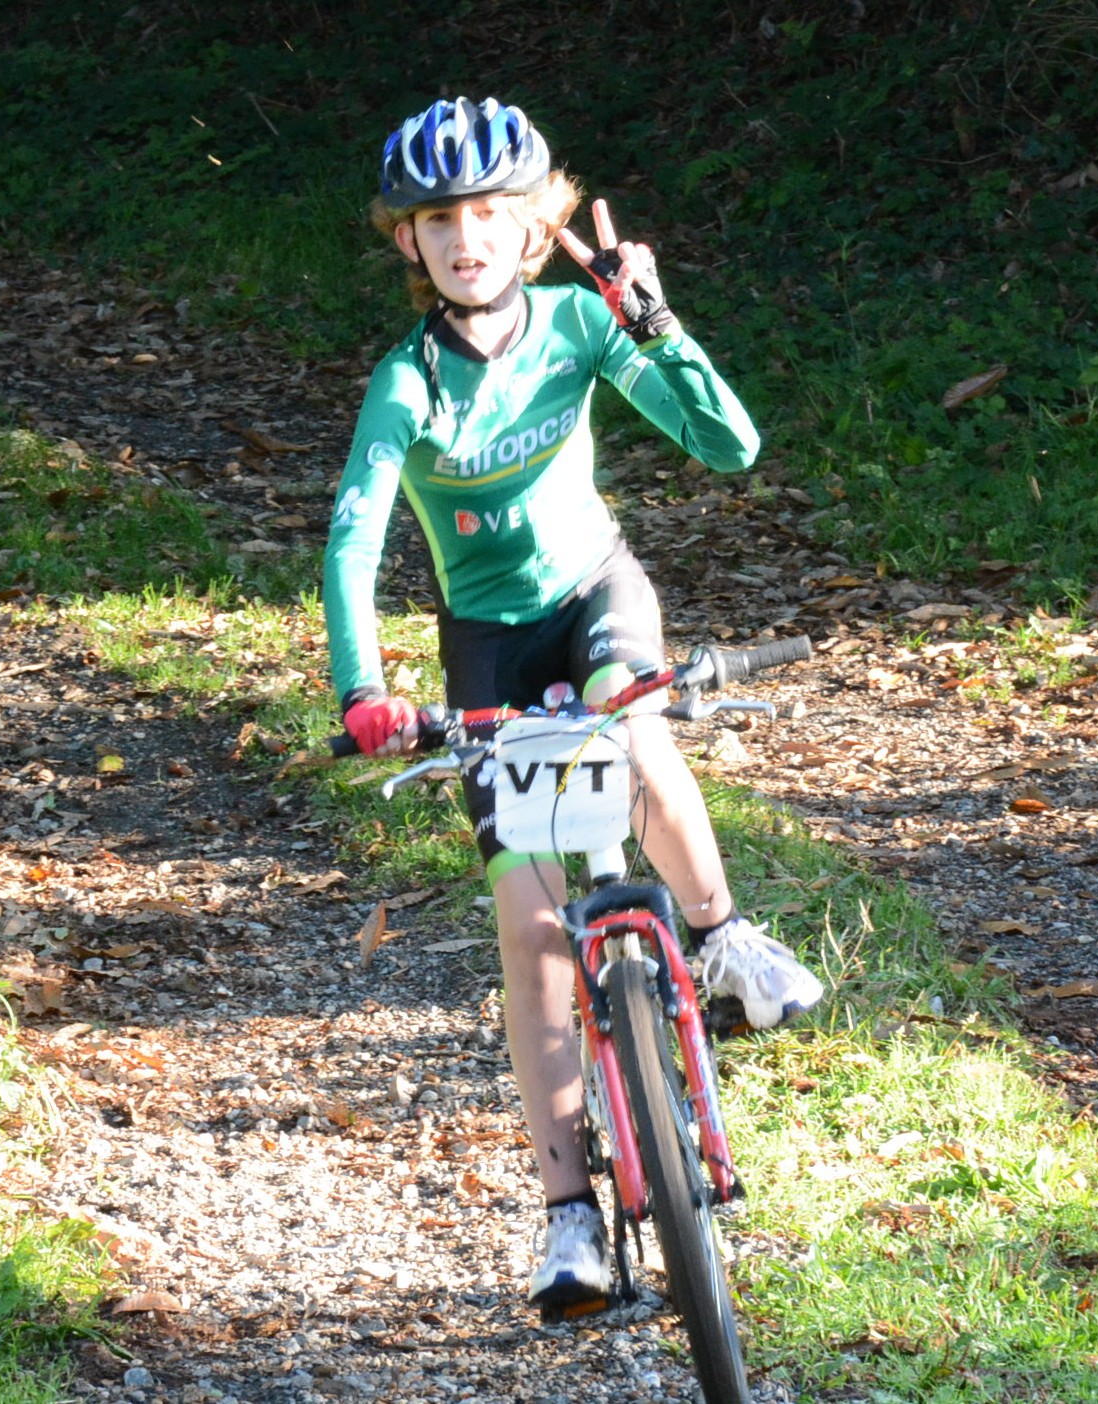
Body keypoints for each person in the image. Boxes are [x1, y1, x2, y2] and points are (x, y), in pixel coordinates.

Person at [322, 96, 824, 1310]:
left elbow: (729, 446)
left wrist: (648, 318)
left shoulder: (576, 323)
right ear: (407, 240)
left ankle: (723, 940)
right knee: (531, 930)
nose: (465, 239)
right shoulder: (406, 382)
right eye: (437, 221)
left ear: (534, 223)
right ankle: (566, 1219)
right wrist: (363, 687)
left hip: (595, 589)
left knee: (632, 723)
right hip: (487, 644)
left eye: (488, 214)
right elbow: (352, 537)